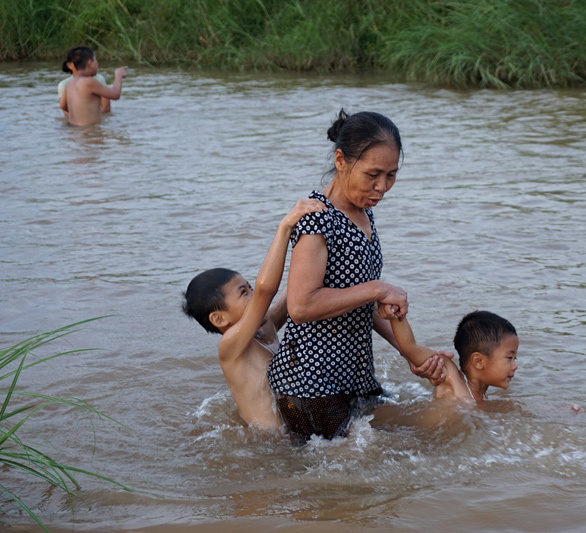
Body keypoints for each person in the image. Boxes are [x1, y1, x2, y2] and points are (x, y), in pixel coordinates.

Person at [267, 109, 450, 441]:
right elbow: (301, 306)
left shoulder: (363, 210)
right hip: (310, 383)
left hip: (352, 376)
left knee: (433, 429)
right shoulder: (316, 219)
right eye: (373, 175)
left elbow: (355, 300)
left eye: (391, 175)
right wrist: (378, 289)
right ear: (341, 161)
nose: (382, 187)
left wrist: (410, 351)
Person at [182, 198, 327, 430]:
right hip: (269, 443)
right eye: (243, 293)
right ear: (220, 319)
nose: (252, 294)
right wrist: (285, 227)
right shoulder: (230, 347)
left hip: (294, 427)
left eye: (250, 287)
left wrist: (316, 248)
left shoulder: (265, 325)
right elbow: (265, 291)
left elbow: (295, 292)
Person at [388, 310, 519, 403]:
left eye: (515, 359)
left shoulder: (484, 398)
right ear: (478, 361)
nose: (515, 366)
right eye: (509, 358)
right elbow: (410, 347)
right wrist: (396, 312)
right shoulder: (450, 375)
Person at [59, 46, 127, 126]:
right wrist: (118, 75)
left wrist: (80, 114)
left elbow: (63, 105)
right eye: (96, 60)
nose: (97, 63)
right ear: (90, 63)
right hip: (88, 133)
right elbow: (115, 94)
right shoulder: (90, 81)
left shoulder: (70, 82)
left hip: (74, 131)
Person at [58, 47, 110, 116]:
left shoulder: (98, 79)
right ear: (70, 65)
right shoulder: (64, 84)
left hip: (93, 119)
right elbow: (65, 110)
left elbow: (106, 108)